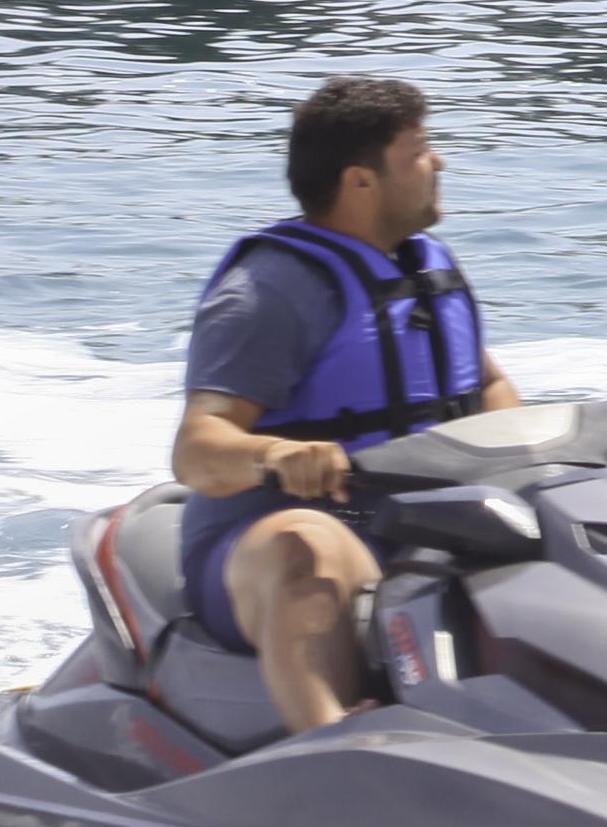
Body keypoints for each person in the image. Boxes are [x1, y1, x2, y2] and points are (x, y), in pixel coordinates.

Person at [170, 73, 517, 732]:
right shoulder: (270, 293)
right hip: (271, 538)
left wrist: (530, 459)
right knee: (311, 547)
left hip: (412, 522)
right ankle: (329, 743)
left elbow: (487, 385)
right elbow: (198, 449)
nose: (437, 161)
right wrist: (278, 454)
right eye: (418, 149)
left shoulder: (419, 269)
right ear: (361, 180)